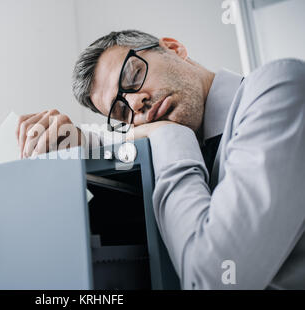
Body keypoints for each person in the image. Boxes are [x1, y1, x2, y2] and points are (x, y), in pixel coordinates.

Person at [16, 30, 305, 289]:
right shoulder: (182, 142)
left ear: (174, 48)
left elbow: (216, 279)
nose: (135, 105)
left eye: (132, 76)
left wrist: (168, 134)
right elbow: (119, 139)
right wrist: (79, 142)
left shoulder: (276, 87)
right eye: (120, 113)